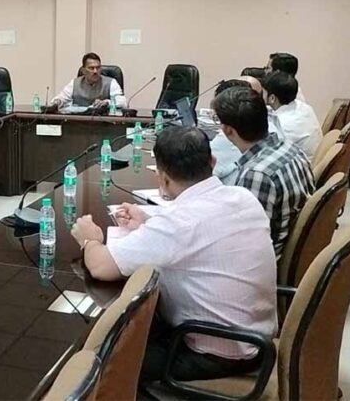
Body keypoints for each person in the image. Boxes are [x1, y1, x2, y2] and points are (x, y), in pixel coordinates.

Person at [69, 126, 277, 383]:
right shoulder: (243, 197)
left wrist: (89, 238)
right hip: (256, 338)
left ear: (163, 178)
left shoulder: (179, 223)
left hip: (215, 354)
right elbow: (196, 229)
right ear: (212, 162)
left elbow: (101, 267)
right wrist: (148, 221)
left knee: (95, 359)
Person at [212, 86, 314, 256]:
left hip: (267, 262)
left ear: (228, 130)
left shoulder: (257, 174)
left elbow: (246, 245)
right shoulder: (290, 148)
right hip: (290, 248)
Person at [262, 72, 321, 161]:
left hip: (301, 165)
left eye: (262, 93)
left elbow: (266, 154)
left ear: (272, 98)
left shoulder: (282, 125)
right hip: (309, 159)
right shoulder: (303, 107)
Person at [50, 52, 126, 108]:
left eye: (98, 68)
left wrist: (107, 102)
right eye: (91, 68)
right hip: (79, 121)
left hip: (103, 122)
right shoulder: (74, 83)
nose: (95, 71)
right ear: (83, 70)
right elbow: (61, 98)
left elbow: (123, 103)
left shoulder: (111, 83)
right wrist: (58, 101)